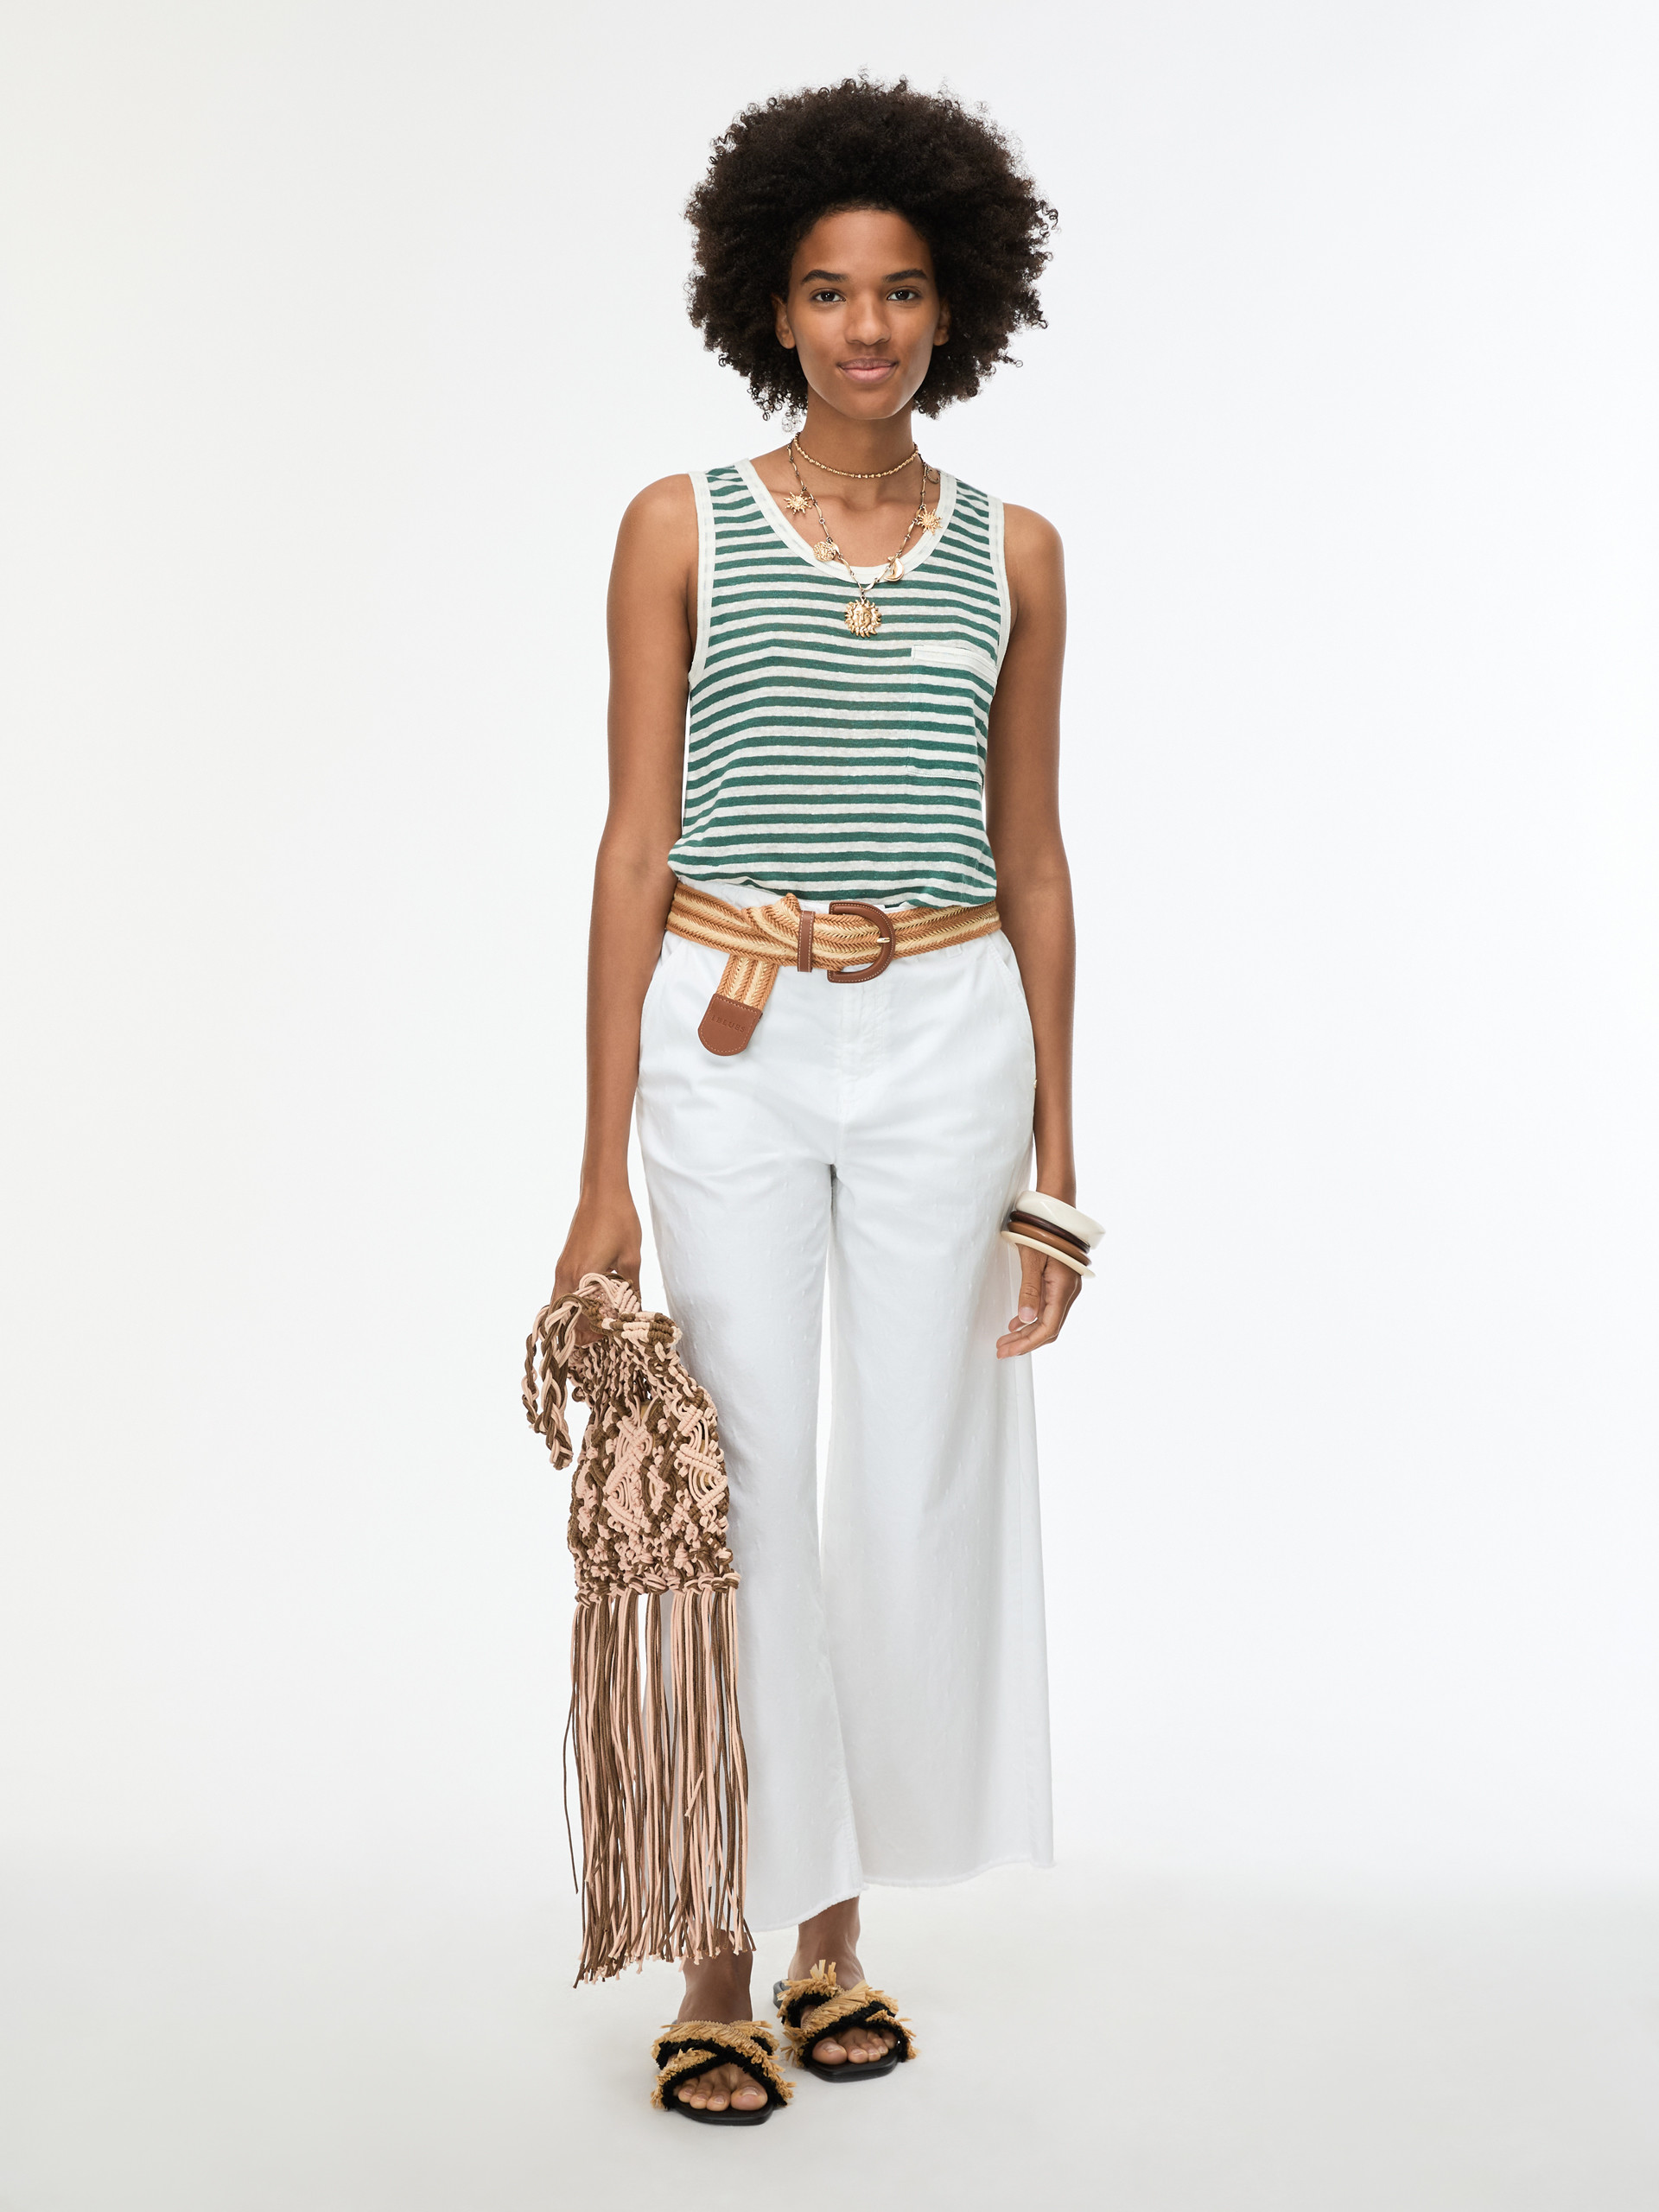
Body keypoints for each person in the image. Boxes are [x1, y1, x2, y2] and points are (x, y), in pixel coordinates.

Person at [553, 77, 1098, 2123]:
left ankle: (835, 1933)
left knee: (915, 1483)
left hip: (954, 1034)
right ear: (768, 308)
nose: (867, 327)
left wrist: (1059, 1168)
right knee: (748, 1478)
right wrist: (596, 1164)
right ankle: (721, 1947)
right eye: (827, 291)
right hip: (735, 1035)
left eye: (903, 291)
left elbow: (1034, 861)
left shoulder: (1015, 553)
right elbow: (631, 843)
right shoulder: (677, 525)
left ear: (957, 307)